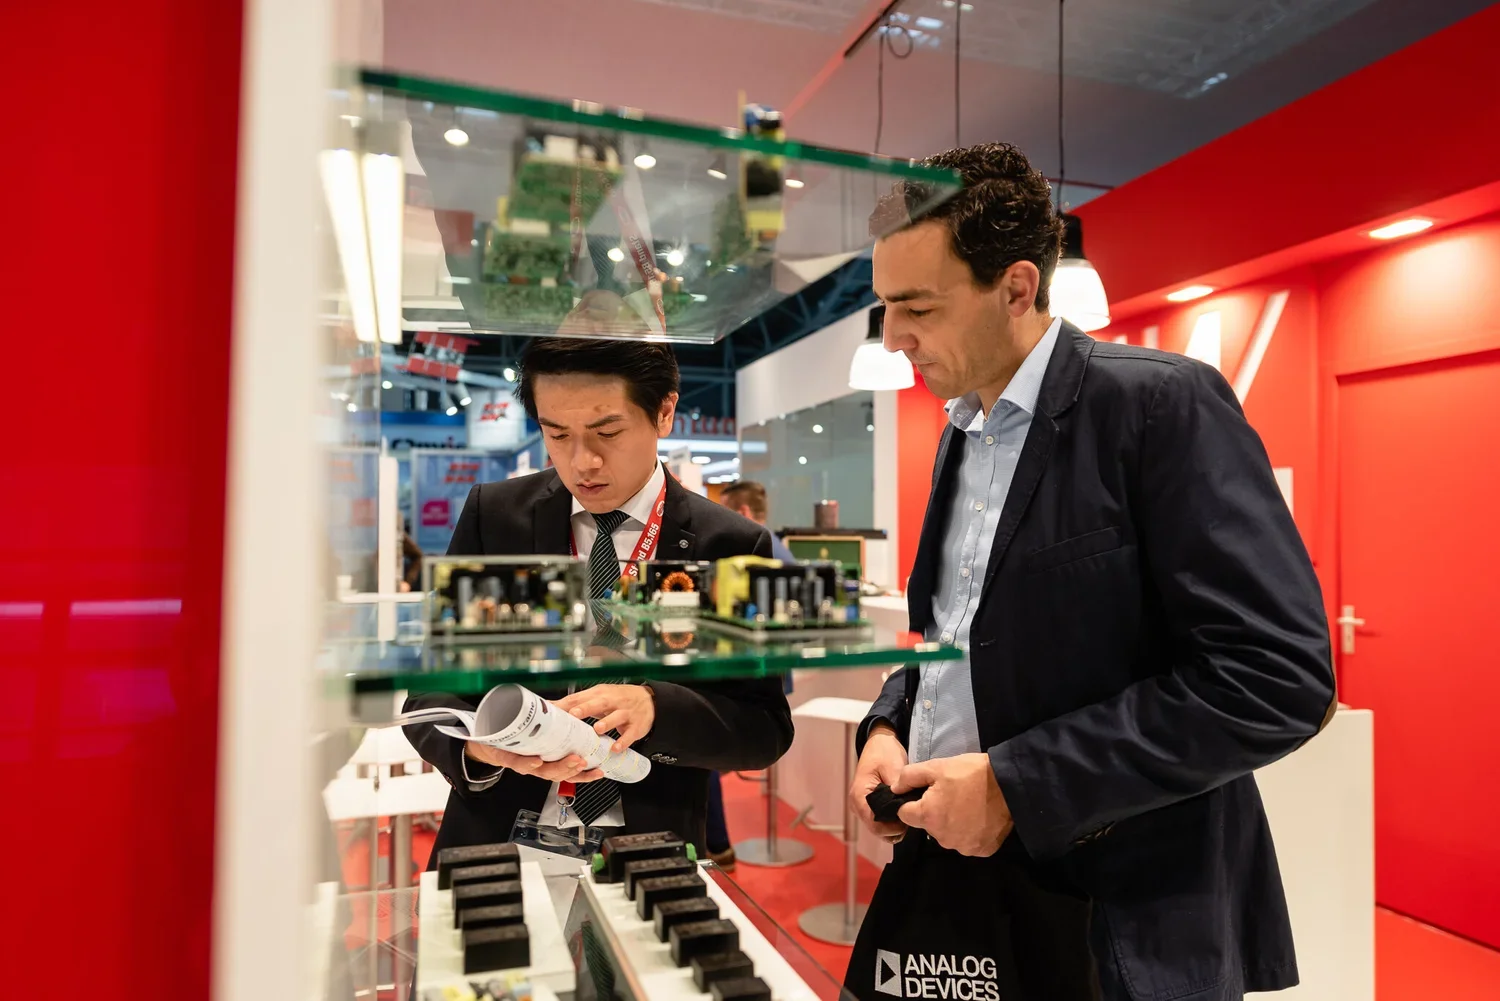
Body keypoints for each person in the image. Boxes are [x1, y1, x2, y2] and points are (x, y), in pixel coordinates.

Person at [845, 143, 1334, 1001]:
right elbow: (955, 633)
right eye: (885, 306)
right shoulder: (962, 433)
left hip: (1123, 916)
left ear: (1017, 288)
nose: (893, 336)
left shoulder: (1159, 406)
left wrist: (1017, 784)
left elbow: (1277, 678)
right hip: (969, 895)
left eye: (917, 306)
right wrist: (890, 724)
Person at [402, 336, 794, 858]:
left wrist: (656, 708)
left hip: (649, 841)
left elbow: (764, 729)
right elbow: (429, 695)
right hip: (498, 833)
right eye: (557, 434)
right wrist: (478, 750)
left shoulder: (728, 544)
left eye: (607, 432)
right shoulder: (496, 518)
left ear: (664, 412)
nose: (582, 461)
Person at [719, 480, 795, 562]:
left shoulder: (754, 550)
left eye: (724, 512)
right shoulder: (773, 545)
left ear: (743, 512)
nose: (721, 519)